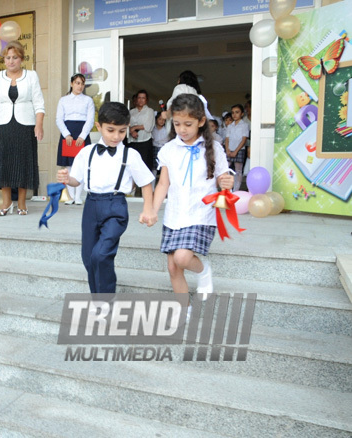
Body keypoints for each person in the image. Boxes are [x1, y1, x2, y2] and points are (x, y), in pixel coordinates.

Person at [57, 102, 156, 294]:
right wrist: (67, 179)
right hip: (91, 206)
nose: (116, 136)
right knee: (88, 258)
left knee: (101, 255)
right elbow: (77, 180)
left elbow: (145, 183)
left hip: (115, 208)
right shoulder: (87, 152)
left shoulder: (131, 154)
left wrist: (148, 209)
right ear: (98, 126)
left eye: (122, 131)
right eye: (110, 130)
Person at [151, 94, 234, 318]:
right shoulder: (168, 149)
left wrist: (227, 182)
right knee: (173, 267)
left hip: (201, 214)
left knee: (182, 258)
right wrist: (152, 210)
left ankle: (204, 270)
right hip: (174, 215)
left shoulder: (214, 148)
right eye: (177, 124)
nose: (182, 129)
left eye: (188, 124)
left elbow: (224, 181)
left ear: (200, 121)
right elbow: (163, 184)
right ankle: (184, 310)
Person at [0, 40, 45, 216]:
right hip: (2, 126)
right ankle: (6, 203)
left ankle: (21, 204)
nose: (11, 61)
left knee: (23, 164)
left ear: (21, 59)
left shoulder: (31, 76)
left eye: (15, 58)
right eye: (7, 58)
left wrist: (39, 126)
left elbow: (39, 103)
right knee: (4, 164)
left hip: (25, 126)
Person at [55, 73, 94, 205]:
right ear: (72, 84)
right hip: (68, 133)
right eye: (77, 83)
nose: (80, 86)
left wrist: (82, 136)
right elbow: (59, 119)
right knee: (68, 165)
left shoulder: (88, 100)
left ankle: (78, 196)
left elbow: (90, 120)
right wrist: (66, 134)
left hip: (82, 132)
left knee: (82, 164)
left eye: (82, 83)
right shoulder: (63, 100)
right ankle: (71, 196)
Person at [128, 89, 155, 177]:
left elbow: (148, 126)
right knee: (133, 167)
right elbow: (127, 125)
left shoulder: (149, 111)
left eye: (143, 98)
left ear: (146, 100)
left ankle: (145, 190)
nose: (141, 100)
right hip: (133, 142)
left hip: (145, 142)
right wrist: (131, 131)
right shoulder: (131, 112)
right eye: (139, 98)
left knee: (145, 167)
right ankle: (134, 189)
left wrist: (134, 127)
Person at [225, 104, 249, 191]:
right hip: (229, 149)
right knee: (226, 168)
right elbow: (227, 139)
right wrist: (227, 149)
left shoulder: (244, 125)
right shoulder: (230, 126)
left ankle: (236, 190)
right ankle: (226, 189)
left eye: (237, 112)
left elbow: (244, 139)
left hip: (239, 150)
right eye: (233, 113)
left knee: (238, 170)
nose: (234, 115)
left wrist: (236, 151)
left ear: (242, 114)